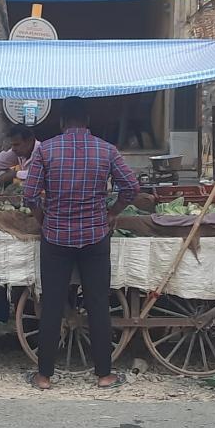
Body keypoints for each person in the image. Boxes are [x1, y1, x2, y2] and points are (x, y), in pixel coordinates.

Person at [23, 97, 140, 391]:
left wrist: (43, 219)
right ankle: (104, 375)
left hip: (56, 237)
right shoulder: (107, 150)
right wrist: (112, 212)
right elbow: (131, 186)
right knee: (98, 303)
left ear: (62, 121)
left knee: (52, 303)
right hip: (95, 236)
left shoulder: (45, 150)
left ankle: (44, 376)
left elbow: (29, 195)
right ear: (87, 120)